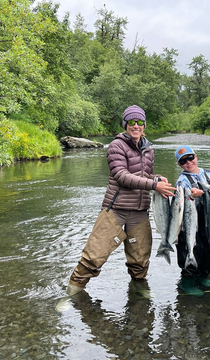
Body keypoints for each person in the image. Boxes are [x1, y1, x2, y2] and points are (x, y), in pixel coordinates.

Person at [66, 105, 176, 296]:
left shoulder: (148, 148)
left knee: (140, 259)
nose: (136, 126)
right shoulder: (116, 146)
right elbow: (121, 175)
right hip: (116, 209)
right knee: (94, 256)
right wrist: (153, 185)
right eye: (131, 122)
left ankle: (139, 292)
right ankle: (71, 294)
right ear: (125, 124)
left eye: (140, 122)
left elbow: (145, 175)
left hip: (140, 211)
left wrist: (157, 179)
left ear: (144, 125)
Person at [174, 145, 210, 295]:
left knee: (207, 251)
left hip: (207, 222)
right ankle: (187, 283)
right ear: (180, 165)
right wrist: (191, 195)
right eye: (183, 161)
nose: (188, 162)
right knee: (191, 252)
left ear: (196, 157)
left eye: (190, 158)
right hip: (190, 223)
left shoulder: (208, 174)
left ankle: (203, 276)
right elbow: (180, 203)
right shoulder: (182, 180)